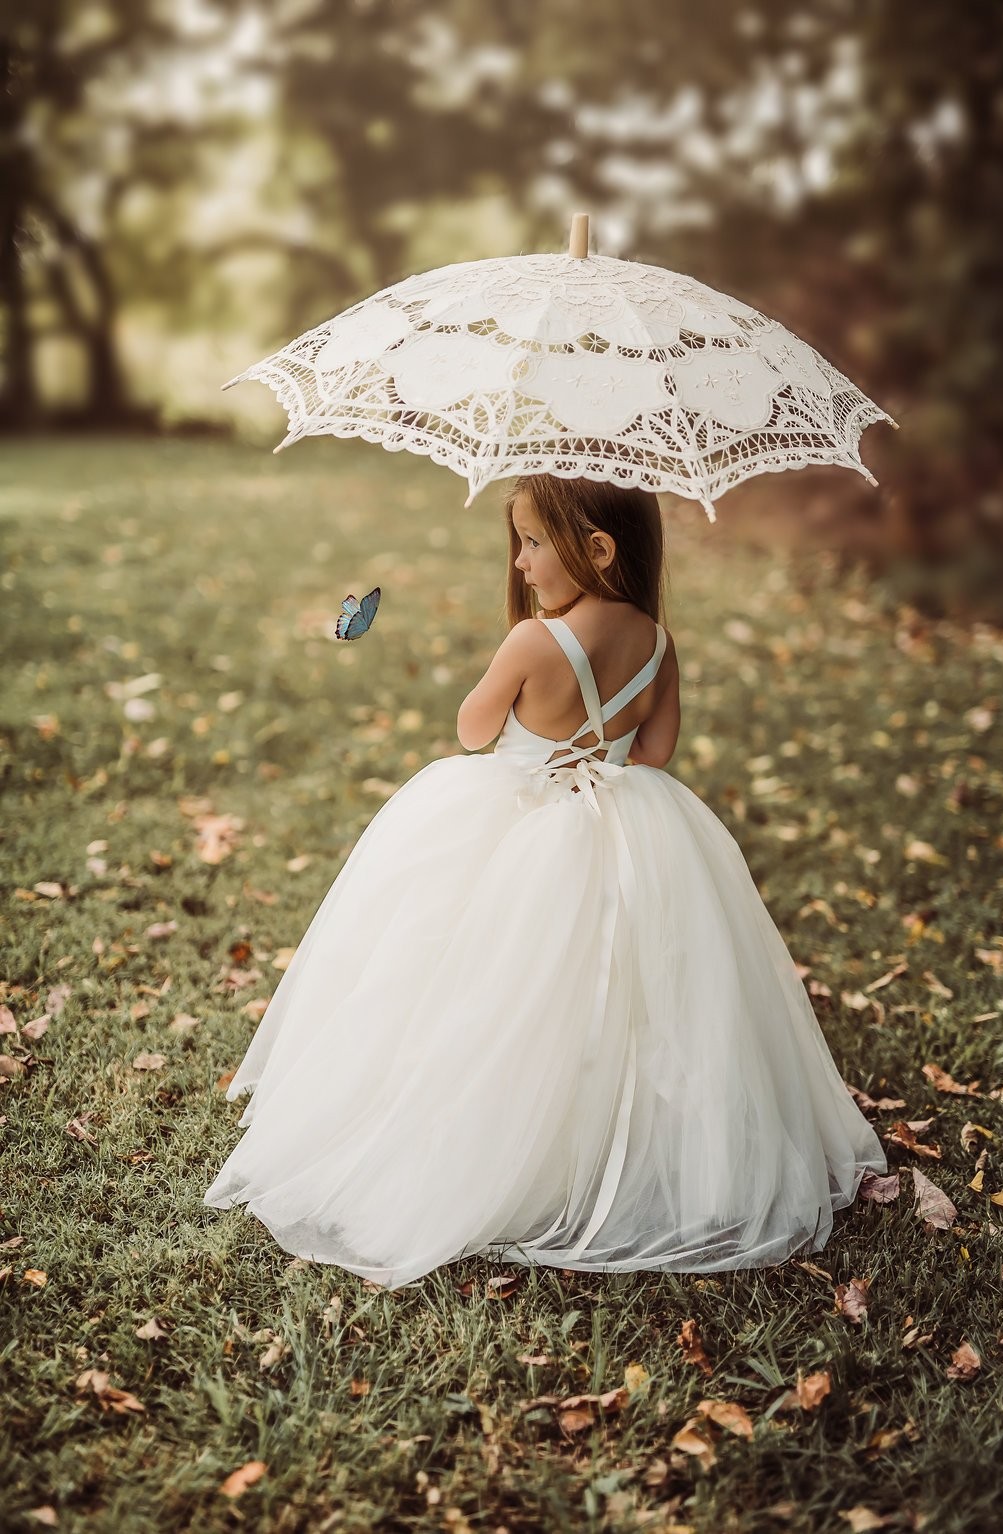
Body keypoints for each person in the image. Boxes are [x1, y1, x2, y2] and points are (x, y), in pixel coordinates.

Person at [203, 473, 888, 1288]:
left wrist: (513, 682)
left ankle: (484, 1142)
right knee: (623, 992)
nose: (521, 562)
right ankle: (606, 1139)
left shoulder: (533, 640)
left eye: (531, 542)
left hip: (518, 821)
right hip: (628, 825)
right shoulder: (660, 643)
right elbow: (657, 752)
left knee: (490, 980)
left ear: (595, 550)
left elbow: (473, 729)